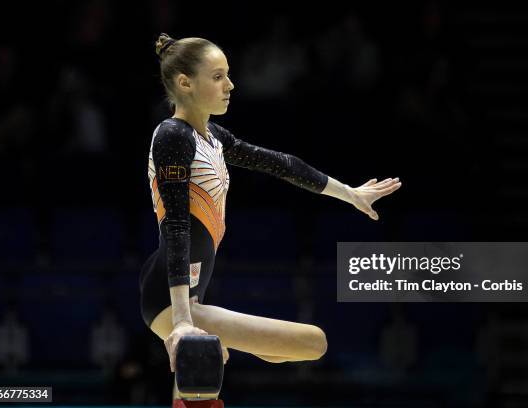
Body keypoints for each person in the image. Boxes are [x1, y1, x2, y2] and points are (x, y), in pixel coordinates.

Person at [140, 33, 402, 396]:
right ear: (185, 82)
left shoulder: (212, 138)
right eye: (217, 77)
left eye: (228, 74)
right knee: (314, 342)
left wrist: (350, 193)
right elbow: (177, 225)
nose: (230, 85)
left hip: (188, 297)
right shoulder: (172, 135)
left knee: (285, 352)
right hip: (168, 300)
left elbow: (282, 164)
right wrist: (183, 322)